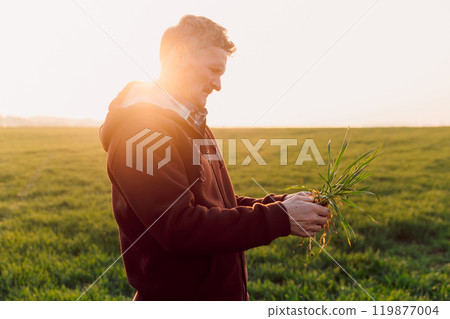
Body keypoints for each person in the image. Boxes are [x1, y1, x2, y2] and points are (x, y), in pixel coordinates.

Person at [99, 15, 329, 301]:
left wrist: (281, 204)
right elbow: (179, 226)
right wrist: (279, 218)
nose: (218, 84)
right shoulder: (140, 132)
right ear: (180, 55)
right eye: (213, 69)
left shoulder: (193, 123)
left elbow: (216, 206)